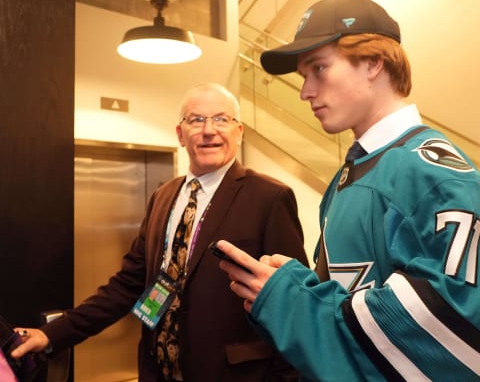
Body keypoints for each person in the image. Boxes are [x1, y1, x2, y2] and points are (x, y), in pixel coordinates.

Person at [214, 0, 480, 381]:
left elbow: (449, 341)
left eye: (319, 69)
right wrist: (289, 283)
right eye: (304, 75)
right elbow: (349, 295)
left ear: (374, 63)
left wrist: (290, 300)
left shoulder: (434, 174)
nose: (305, 91)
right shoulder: (352, 173)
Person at [10, 83, 309, 381]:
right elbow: (127, 284)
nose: (208, 130)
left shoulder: (269, 197)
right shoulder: (163, 196)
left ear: (239, 131)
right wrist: (52, 334)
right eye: (196, 119)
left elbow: (293, 300)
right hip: (158, 368)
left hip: (232, 374)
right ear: (180, 134)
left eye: (221, 119)